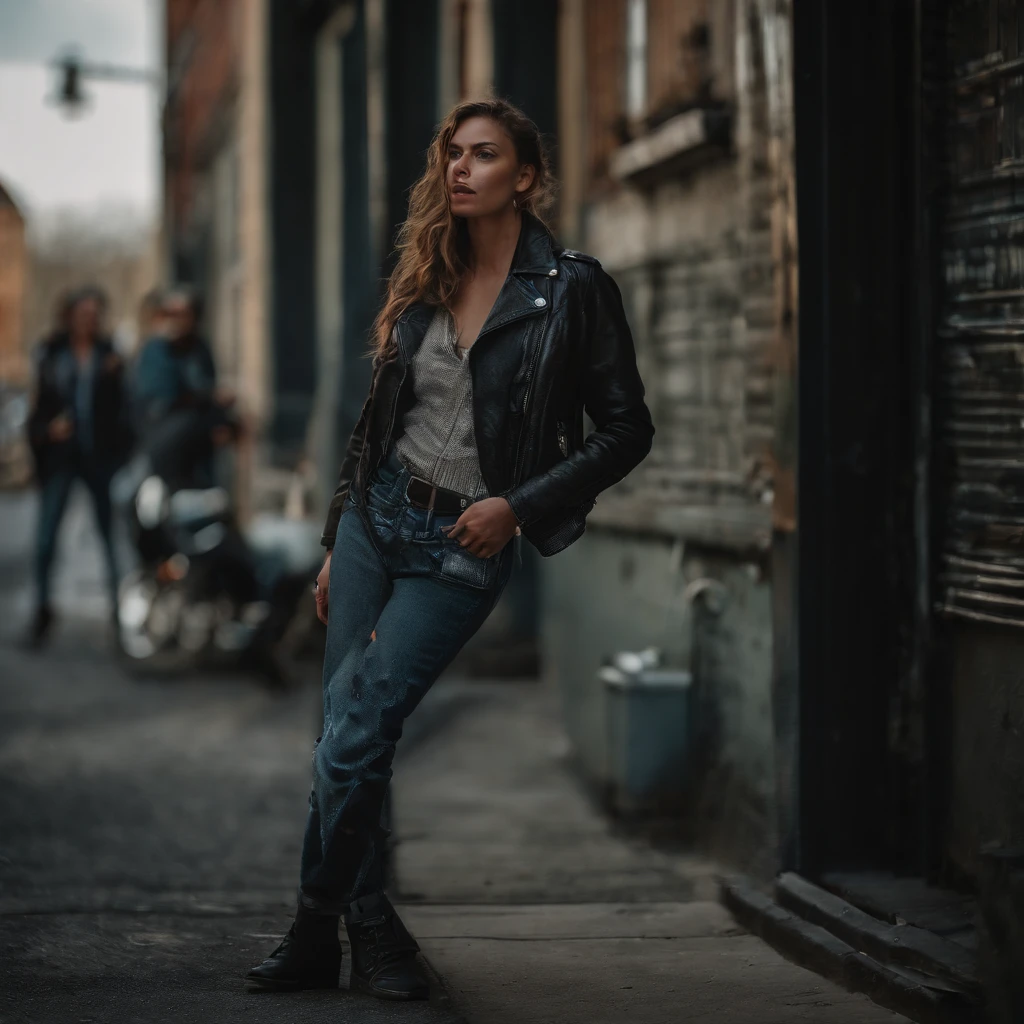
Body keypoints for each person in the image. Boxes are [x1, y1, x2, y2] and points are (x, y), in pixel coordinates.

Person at [246, 99, 654, 1000]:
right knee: (350, 735)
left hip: (464, 543)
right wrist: (332, 542)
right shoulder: (427, 268)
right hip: (373, 520)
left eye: (484, 155)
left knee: (355, 731)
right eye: (452, 156)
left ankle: (332, 926)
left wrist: (517, 505)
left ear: (528, 177)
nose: (460, 170)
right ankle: (362, 931)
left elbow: (626, 430)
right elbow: (374, 425)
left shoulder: (574, 289)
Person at [25, 286, 132, 646]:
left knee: (109, 538)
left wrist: (120, 455)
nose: (89, 320)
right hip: (60, 459)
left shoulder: (109, 355)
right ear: (69, 316)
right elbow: (37, 408)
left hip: (99, 460)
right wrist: (47, 430)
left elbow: (123, 411)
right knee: (45, 540)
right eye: (82, 313)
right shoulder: (52, 353)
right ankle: (42, 612)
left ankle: (121, 617)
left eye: (94, 314)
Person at [132, 287, 233, 488]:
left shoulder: (199, 348)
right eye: (172, 314)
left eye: (184, 314)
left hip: (197, 447)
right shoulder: (157, 350)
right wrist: (209, 396)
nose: (178, 321)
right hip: (165, 445)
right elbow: (163, 398)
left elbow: (206, 385)